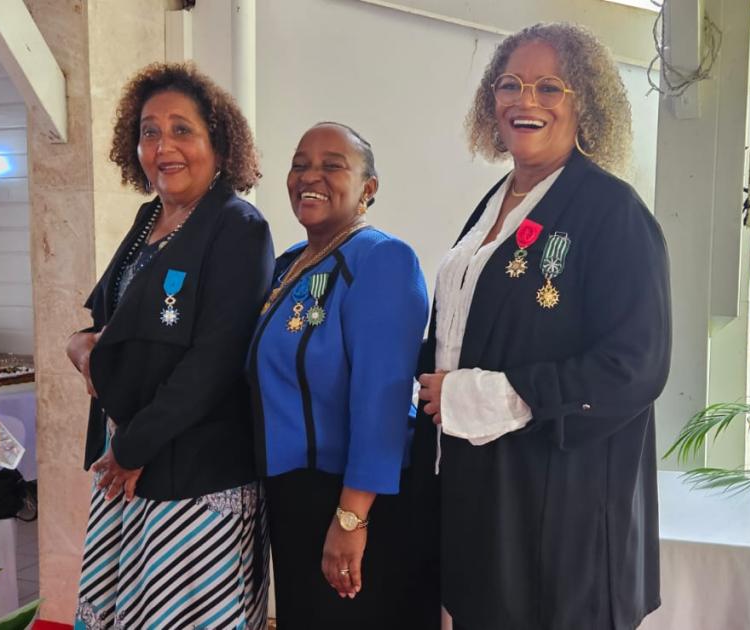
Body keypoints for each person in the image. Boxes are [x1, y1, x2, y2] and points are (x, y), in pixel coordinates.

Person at [416, 23, 672, 630]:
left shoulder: (613, 212)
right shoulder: (493, 204)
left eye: (549, 87)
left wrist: (491, 392)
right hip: (482, 489)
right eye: (510, 84)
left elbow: (636, 365)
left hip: (561, 504)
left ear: (585, 102)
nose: (524, 101)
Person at [65, 62, 274, 630]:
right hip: (130, 459)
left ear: (218, 142)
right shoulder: (149, 217)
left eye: (182, 130)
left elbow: (215, 362)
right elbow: (107, 318)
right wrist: (80, 344)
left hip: (195, 471)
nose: (164, 147)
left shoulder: (238, 227)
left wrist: (133, 448)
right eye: (149, 132)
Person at [249, 122, 438, 629]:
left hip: (352, 499)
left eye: (332, 165)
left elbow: (382, 398)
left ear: (368, 189)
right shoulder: (290, 263)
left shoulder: (381, 259)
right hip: (293, 497)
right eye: (300, 163)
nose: (311, 175)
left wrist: (351, 518)